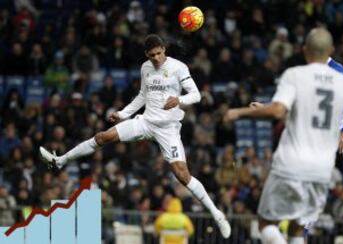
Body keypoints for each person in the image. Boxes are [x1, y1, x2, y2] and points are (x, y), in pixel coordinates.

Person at [39, 34, 231, 238]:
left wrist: (179, 99)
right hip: (146, 122)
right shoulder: (145, 68)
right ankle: (60, 160)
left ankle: (217, 214)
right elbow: (142, 96)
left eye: (158, 53)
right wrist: (122, 114)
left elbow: (196, 95)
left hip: (168, 128)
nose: (156, 58)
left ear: (164, 49)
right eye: (151, 55)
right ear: (146, 55)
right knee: (103, 136)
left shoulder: (179, 67)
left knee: (182, 175)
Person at [224, 28, 343, 244]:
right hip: (321, 168)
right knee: (298, 227)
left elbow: (279, 111)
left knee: (266, 224)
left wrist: (240, 112)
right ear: (331, 50)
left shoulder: (295, 75)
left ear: (305, 50)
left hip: (291, 163)